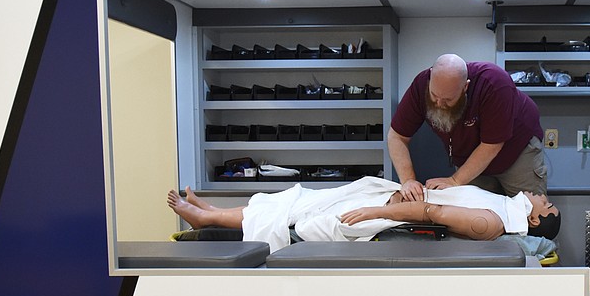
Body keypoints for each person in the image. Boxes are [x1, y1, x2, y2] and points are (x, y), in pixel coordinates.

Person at [167, 175, 560, 252]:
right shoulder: (497, 205)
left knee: (297, 217)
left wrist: (373, 208)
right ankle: (214, 212)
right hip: (395, 198)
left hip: (388, 213)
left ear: (535, 220)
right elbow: (442, 198)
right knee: (298, 197)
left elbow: (432, 213)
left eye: (548, 204)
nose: (543, 196)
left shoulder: (490, 223)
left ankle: (209, 221)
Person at [388, 53, 547, 202]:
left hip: (515, 151)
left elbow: (492, 145)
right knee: (474, 215)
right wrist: (408, 180)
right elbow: (397, 136)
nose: (439, 104)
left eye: (448, 100)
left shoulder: (494, 83)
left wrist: (455, 180)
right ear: (430, 77)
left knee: (530, 214)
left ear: (465, 87)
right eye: (434, 96)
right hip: (469, 158)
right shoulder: (420, 86)